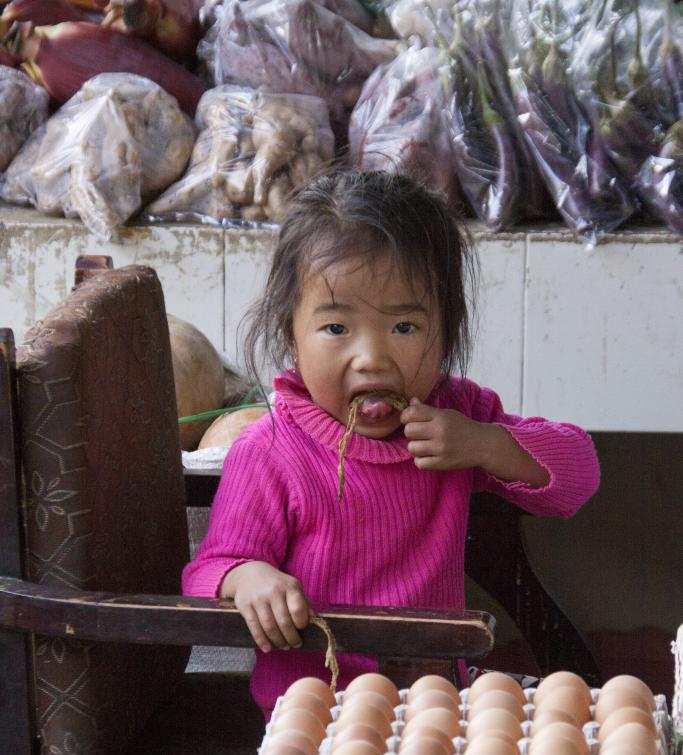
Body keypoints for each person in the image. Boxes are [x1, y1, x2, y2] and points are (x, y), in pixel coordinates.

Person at [182, 170, 600, 719]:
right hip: (312, 717)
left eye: (404, 327)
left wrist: (484, 444)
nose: (372, 357)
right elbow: (208, 570)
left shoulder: (458, 418)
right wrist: (247, 577)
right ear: (290, 335)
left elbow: (578, 477)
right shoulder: (270, 450)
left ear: (446, 334)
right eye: (336, 328)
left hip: (430, 705)